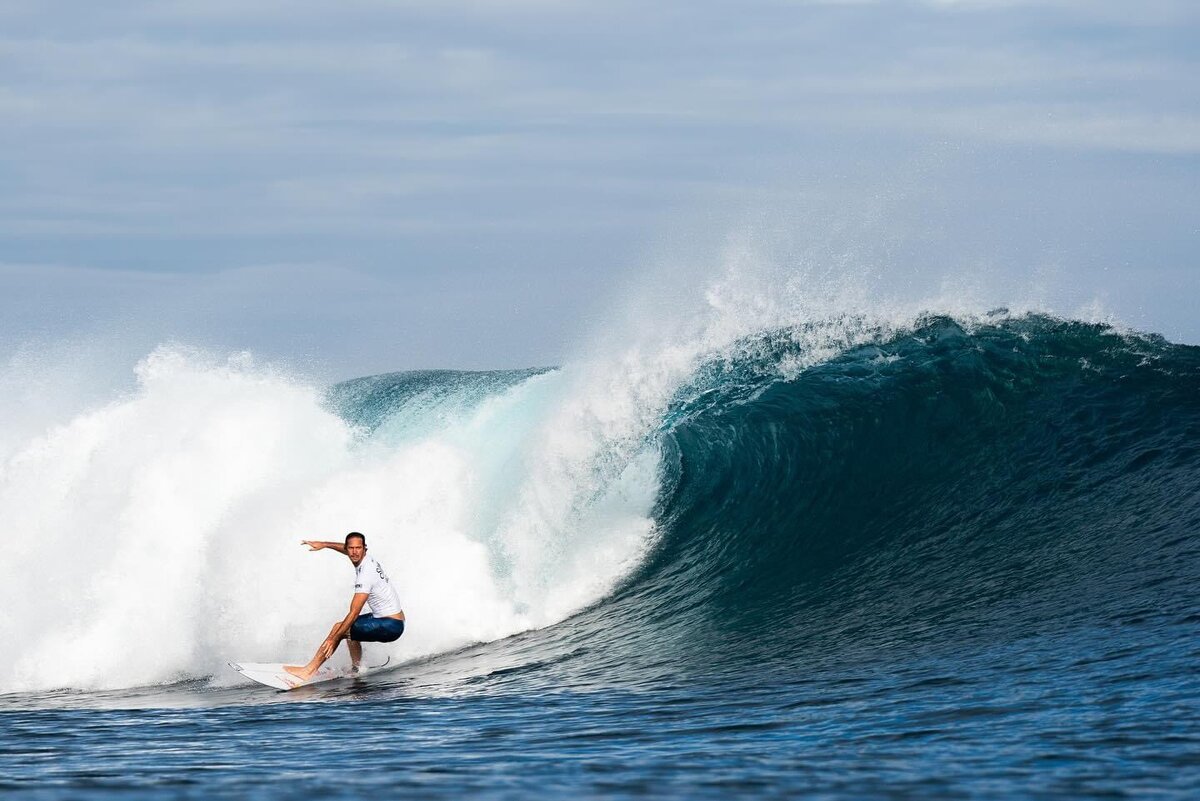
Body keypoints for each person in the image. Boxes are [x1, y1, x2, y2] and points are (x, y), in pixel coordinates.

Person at [284, 531, 405, 681]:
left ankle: (308, 671)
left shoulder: (365, 574)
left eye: (358, 548)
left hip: (391, 625)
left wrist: (333, 638)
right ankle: (357, 668)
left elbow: (354, 612)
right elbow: (347, 549)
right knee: (349, 630)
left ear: (365, 549)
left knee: (339, 628)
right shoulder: (365, 558)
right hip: (389, 618)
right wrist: (324, 545)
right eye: (351, 548)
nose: (354, 552)